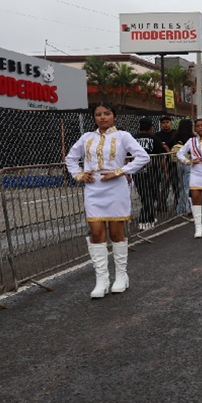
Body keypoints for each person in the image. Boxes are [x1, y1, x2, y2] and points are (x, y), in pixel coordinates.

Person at [65, 102, 150, 298]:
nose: (102, 117)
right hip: (93, 188)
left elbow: (143, 157)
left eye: (106, 113)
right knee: (96, 232)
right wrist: (78, 174)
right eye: (98, 114)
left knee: (115, 232)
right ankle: (101, 280)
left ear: (114, 116)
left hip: (116, 187)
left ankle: (121, 276)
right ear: (94, 118)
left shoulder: (123, 136)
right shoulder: (86, 137)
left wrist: (120, 171)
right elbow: (70, 158)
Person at [132, 118, 166, 230]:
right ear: (151, 127)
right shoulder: (155, 138)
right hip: (152, 171)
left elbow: (128, 156)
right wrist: (165, 171)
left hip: (137, 172)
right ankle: (144, 219)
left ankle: (150, 216)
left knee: (144, 195)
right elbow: (161, 157)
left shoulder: (133, 139)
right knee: (150, 195)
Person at [155, 115, 178, 212]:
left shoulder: (176, 133)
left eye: (167, 122)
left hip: (175, 161)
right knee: (165, 184)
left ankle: (178, 204)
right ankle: (163, 205)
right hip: (163, 162)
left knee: (176, 184)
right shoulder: (157, 135)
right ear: (161, 124)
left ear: (170, 123)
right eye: (163, 123)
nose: (166, 124)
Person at [171, 119, 194, 217]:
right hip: (188, 162)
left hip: (178, 162)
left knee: (182, 186)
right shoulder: (192, 137)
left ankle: (180, 209)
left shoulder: (176, 136)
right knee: (187, 186)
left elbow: (170, 146)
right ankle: (188, 208)